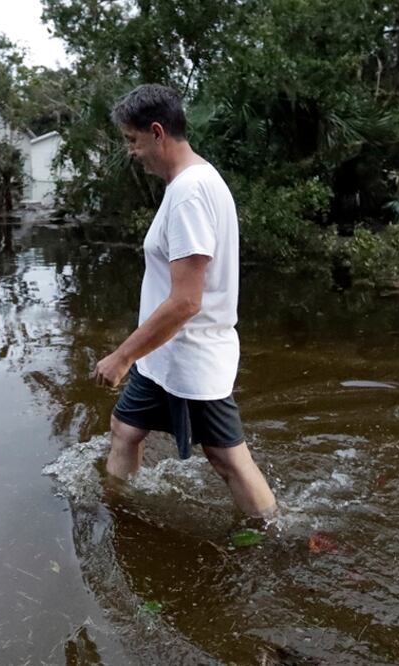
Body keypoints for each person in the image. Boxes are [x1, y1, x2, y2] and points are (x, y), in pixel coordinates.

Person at [93, 84, 277, 521]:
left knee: (227, 458)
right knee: (125, 429)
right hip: (164, 355)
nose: (131, 153)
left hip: (192, 354)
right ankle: (119, 512)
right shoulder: (187, 185)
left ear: (157, 133)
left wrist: (121, 357)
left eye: (132, 141)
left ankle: (274, 535)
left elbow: (186, 302)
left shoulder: (191, 192)